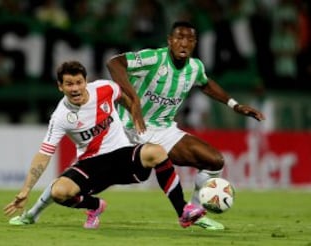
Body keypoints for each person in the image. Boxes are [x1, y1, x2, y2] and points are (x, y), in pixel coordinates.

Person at [4, 60, 206, 229]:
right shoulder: (61, 117)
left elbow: (125, 96)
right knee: (59, 192)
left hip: (122, 156)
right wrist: (26, 190)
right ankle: (94, 205)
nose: (75, 88)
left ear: (86, 81)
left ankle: (183, 211)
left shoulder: (105, 88)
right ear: (60, 86)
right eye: (68, 84)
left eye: (78, 82)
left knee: (156, 151)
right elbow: (44, 154)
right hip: (91, 164)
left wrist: (135, 113)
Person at [106, 21, 265, 230]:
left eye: (189, 40)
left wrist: (234, 105)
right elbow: (114, 63)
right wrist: (134, 101)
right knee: (110, 176)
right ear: (170, 41)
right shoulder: (154, 58)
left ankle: (193, 213)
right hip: (131, 128)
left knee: (214, 161)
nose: (184, 43)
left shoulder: (195, 67)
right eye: (179, 38)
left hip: (164, 129)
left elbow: (206, 83)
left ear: (195, 43)